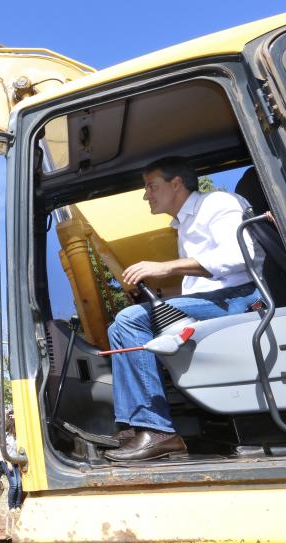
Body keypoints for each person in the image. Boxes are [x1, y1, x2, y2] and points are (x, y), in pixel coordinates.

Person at [104, 157, 263, 462]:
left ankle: (157, 431)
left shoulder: (217, 203)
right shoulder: (184, 224)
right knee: (119, 326)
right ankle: (132, 425)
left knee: (129, 321)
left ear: (176, 183)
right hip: (219, 297)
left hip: (242, 297)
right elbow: (199, 286)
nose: (145, 194)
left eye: (151, 186)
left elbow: (240, 257)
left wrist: (165, 267)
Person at [4, 418, 23, 512]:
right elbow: (3, 452)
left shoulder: (17, 436)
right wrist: (8, 463)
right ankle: (11, 505)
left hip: (17, 462)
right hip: (8, 462)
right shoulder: (5, 437)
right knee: (14, 485)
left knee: (19, 485)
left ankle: (18, 504)